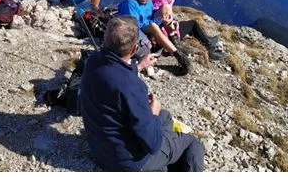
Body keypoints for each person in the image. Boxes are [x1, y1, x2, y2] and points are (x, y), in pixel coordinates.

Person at [80, 15, 205, 171]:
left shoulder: (93, 61)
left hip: (99, 150)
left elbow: (116, 73)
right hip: (128, 162)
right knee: (193, 143)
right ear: (134, 49)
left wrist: (138, 66)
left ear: (106, 40)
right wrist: (153, 113)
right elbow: (153, 144)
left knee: (165, 117)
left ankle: (163, 165)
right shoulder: (134, 87)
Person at [117, 0, 191, 74]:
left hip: (147, 27)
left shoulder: (149, 3)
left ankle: (174, 41)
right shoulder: (130, 3)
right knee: (153, 26)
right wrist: (153, 25)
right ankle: (178, 55)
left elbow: (151, 18)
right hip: (136, 29)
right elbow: (134, 24)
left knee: (165, 8)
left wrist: (164, 20)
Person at [153, 0, 226, 61]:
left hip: (159, 32)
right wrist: (170, 2)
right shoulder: (163, 1)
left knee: (189, 24)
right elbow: (168, 17)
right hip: (166, 33)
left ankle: (207, 39)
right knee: (192, 24)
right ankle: (210, 48)